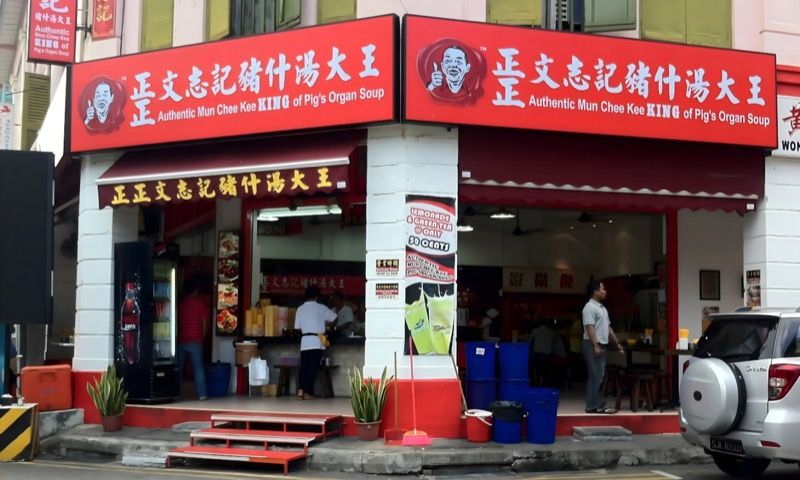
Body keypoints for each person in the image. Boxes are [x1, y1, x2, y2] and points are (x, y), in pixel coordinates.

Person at [582, 280, 624, 414]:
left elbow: (609, 328)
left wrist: (616, 343)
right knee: (598, 375)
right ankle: (598, 404)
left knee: (596, 375)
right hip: (592, 344)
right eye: (602, 289)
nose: (604, 291)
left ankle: (592, 405)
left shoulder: (602, 308)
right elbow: (590, 327)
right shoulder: (589, 308)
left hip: (601, 345)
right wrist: (595, 345)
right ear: (595, 291)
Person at [295, 286, 337, 400]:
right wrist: (327, 325)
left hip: (304, 342)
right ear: (317, 297)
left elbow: (297, 327)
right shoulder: (321, 308)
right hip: (316, 341)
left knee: (304, 368)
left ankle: (301, 390)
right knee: (313, 368)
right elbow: (334, 318)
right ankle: (308, 392)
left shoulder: (300, 309)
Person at [178, 276, 210, 400]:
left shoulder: (181, 304)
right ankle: (202, 394)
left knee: (179, 369)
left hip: (181, 340)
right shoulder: (201, 304)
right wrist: (202, 337)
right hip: (196, 340)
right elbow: (205, 323)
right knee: (198, 368)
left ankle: (175, 393)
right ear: (196, 290)